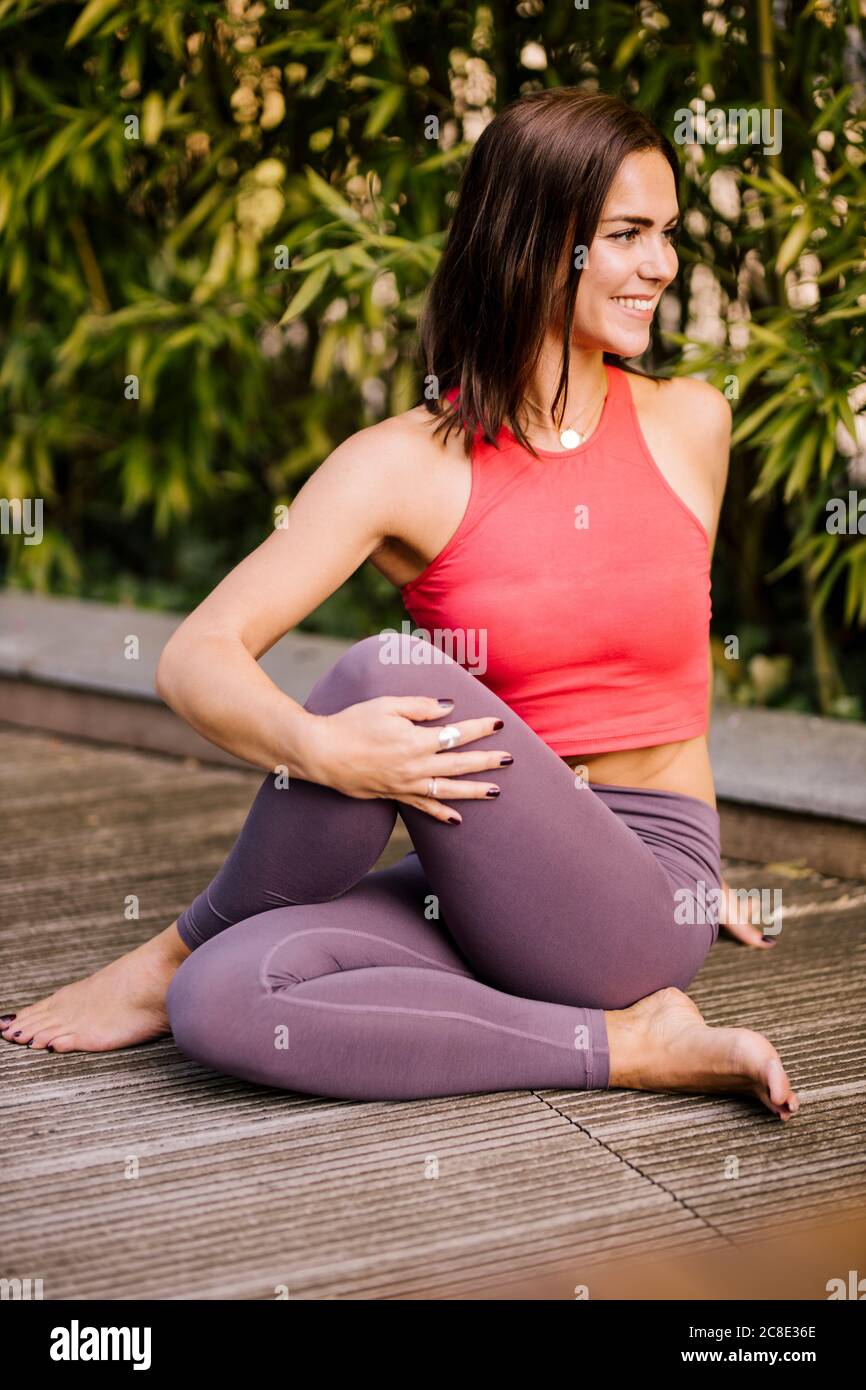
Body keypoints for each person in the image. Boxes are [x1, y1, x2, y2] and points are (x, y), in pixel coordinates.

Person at [1, 89, 799, 1120]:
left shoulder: (692, 423)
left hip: (638, 894)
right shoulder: (401, 466)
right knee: (228, 999)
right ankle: (624, 1044)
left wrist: (686, 876)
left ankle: (162, 953)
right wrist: (322, 750)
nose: (660, 266)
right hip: (484, 885)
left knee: (383, 670)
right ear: (531, 240)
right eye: (625, 236)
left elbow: (651, 666)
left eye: (666, 236)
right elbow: (195, 656)